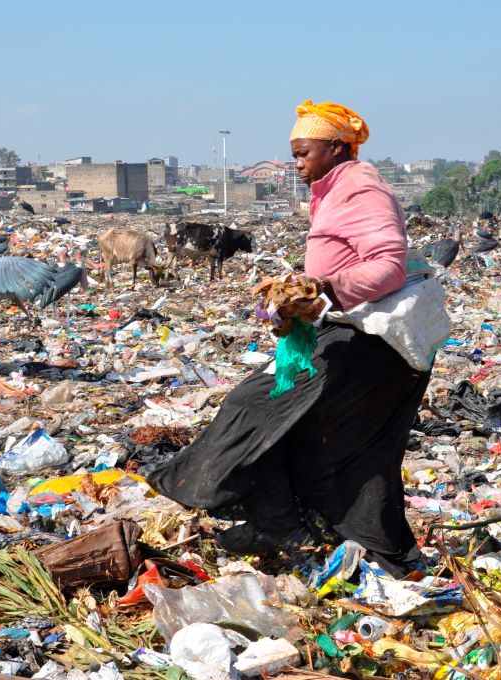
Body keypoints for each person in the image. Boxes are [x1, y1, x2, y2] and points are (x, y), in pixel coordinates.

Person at [149, 100, 440, 576]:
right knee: (332, 442)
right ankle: (334, 539)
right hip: (349, 330)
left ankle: (277, 519)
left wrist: (325, 289)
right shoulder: (331, 190)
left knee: (259, 406)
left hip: (376, 343)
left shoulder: (360, 189)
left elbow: (387, 266)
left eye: (304, 153)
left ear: (337, 147)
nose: (297, 164)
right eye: (294, 154)